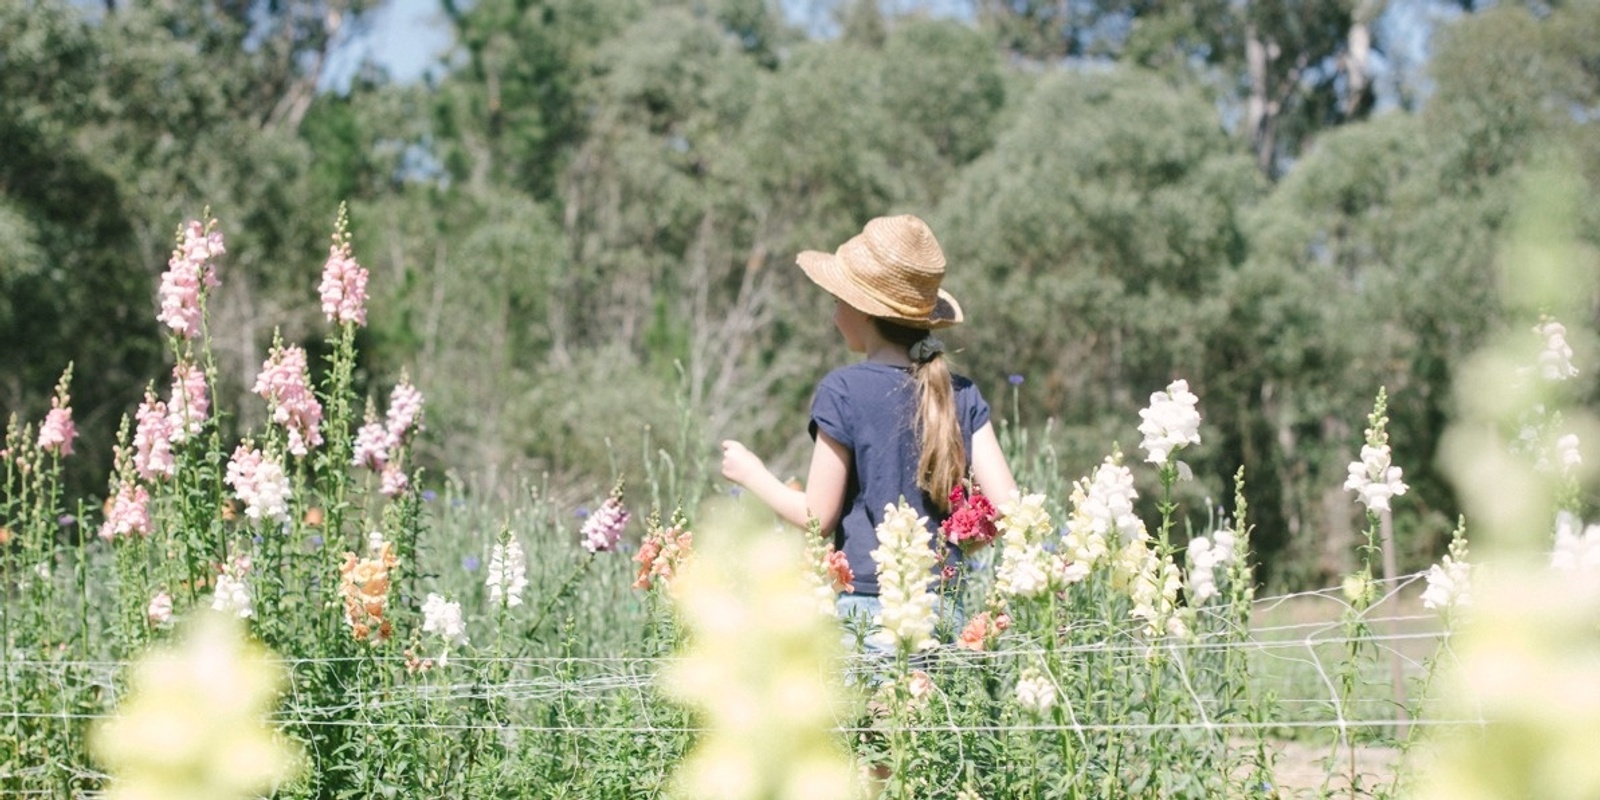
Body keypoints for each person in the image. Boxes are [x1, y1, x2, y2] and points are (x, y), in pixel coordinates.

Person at [720, 214, 1017, 647]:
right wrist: (958, 544)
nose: (834, 309)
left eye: (838, 299)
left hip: (866, 614)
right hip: (943, 610)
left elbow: (817, 517)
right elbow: (1011, 511)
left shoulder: (842, 390)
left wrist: (752, 474)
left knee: (875, 716)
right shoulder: (962, 393)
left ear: (863, 310)